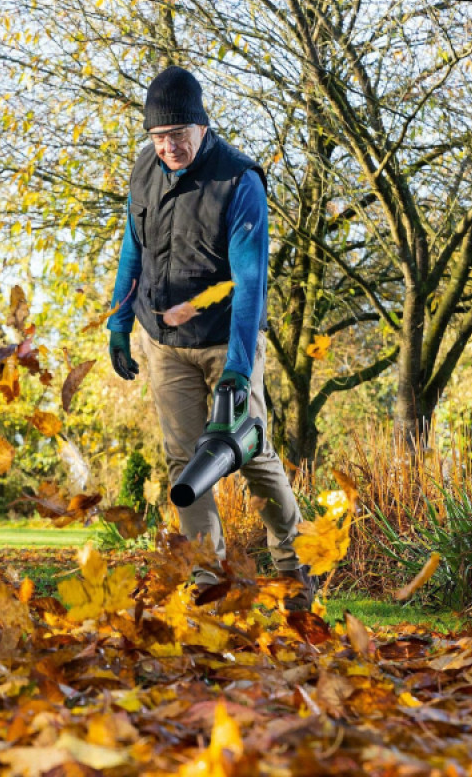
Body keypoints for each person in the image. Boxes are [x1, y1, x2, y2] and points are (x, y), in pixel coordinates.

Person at [106, 65, 315, 610]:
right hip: (164, 343)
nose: (169, 147)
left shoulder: (238, 181)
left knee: (247, 450)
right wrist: (119, 321)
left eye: (178, 135)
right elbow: (134, 250)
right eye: (158, 137)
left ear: (202, 126)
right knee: (184, 461)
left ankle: (294, 565)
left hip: (227, 339)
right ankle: (208, 582)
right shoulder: (143, 171)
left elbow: (251, 284)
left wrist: (240, 368)